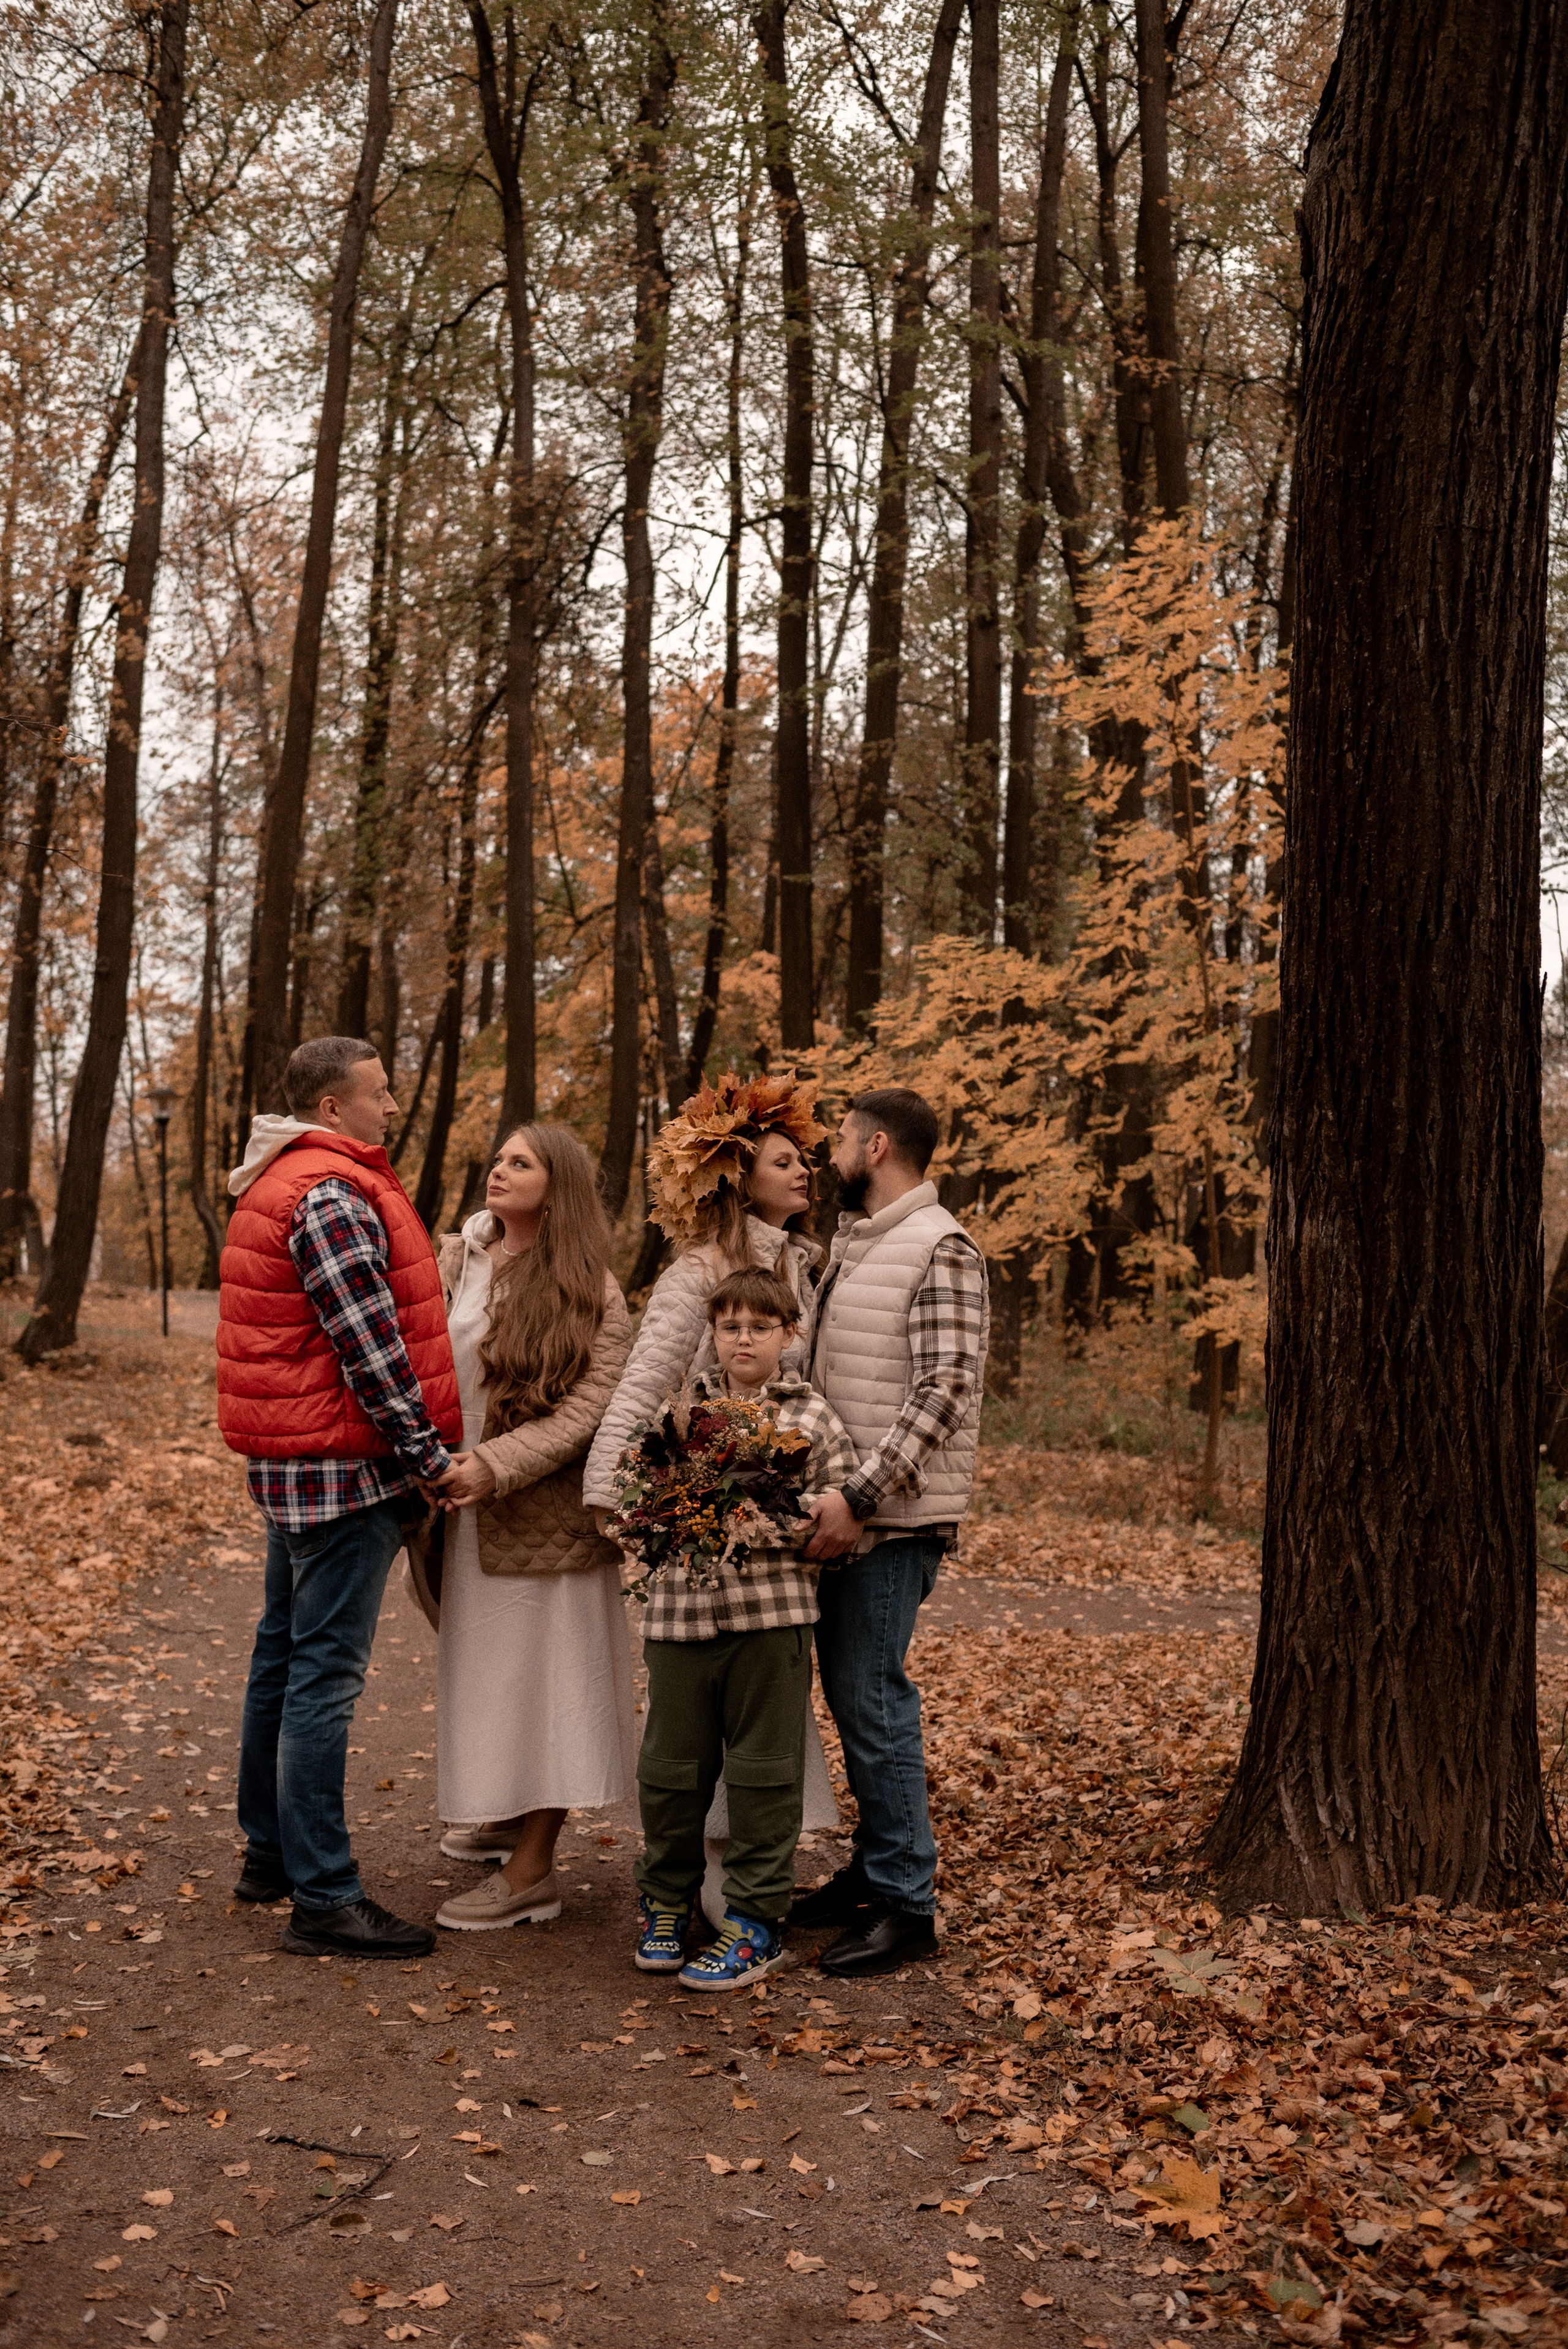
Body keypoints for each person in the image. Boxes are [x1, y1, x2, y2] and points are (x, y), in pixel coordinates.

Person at [219, 1036, 462, 1961]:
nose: (393, 1104)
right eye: (381, 1090)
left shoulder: (282, 1177)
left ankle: (269, 1854)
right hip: (344, 1470)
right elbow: (369, 1343)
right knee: (321, 1676)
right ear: (333, 1106)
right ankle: (323, 1894)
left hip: (297, 1465)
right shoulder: (328, 1190)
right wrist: (426, 1455)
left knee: (280, 1658)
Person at [582, 1073, 841, 1893]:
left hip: (790, 1524)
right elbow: (644, 1379)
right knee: (697, 1707)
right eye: (781, 1159)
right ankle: (692, 1882)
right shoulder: (698, 1273)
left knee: (768, 1703)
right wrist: (609, 1488)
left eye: (804, 1157)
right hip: (709, 1511)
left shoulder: (810, 1266)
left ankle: (749, 1881)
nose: (803, 1169)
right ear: (738, 1175)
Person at [404, 1124, 635, 1932]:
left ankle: (534, 1868)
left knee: (554, 1684)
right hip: (457, 1503)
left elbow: (588, 1409)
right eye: (499, 1158)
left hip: (545, 1514)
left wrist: (496, 1463)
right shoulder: (458, 1257)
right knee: (488, 1672)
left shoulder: (593, 1289)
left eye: (521, 1162)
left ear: (558, 1184)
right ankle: (504, 1812)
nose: (500, 1170)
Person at [795, 1087, 990, 1978]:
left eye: (838, 1138)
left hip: (893, 1519)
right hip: (854, 1508)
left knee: (872, 1698)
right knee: (851, 1694)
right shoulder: (861, 1243)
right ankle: (875, 1874)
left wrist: (861, 1495)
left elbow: (943, 1387)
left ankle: (909, 1902)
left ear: (876, 1146)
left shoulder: (939, 1245)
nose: (827, 1152)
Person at [626, 1268, 859, 1990]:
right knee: (670, 1773)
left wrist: (761, 1515)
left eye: (761, 1326)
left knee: (764, 1774)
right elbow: (645, 1501)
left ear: (789, 1334)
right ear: (713, 1333)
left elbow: (837, 1512)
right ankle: (666, 1902)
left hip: (771, 1619)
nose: (744, 1339)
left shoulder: (811, 1419)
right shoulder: (680, 1416)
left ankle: (756, 1919)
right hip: (678, 1620)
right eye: (730, 1326)